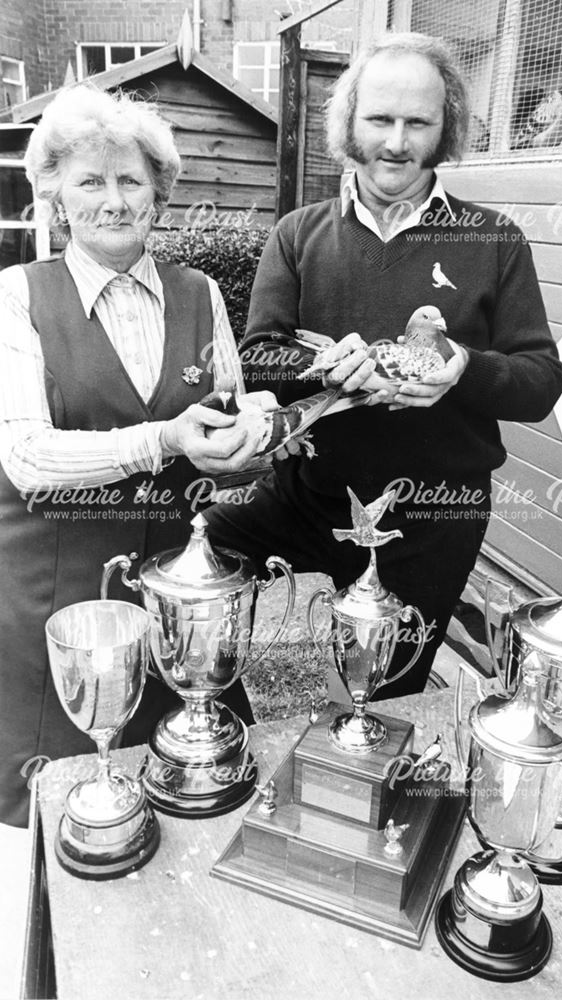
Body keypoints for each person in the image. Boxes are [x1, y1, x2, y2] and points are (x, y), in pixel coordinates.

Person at [204, 32, 562, 703]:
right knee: (197, 561)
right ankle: (216, 723)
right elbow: (256, 356)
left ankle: (368, 770)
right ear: (348, 124)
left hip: (431, 519)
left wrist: (461, 366)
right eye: (379, 119)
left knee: (382, 696)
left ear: (444, 129)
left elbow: (541, 382)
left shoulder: (494, 240)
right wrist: (322, 366)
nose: (396, 142)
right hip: (307, 500)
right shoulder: (299, 233)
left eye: (417, 123)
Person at [0, 85, 278, 827]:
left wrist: (246, 449)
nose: (114, 199)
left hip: (175, 608)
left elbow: (220, 433)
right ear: (57, 196)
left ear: (159, 193)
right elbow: (26, 456)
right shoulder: (17, 297)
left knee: (177, 781)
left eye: (131, 180)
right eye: (91, 180)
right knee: (58, 802)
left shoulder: (202, 294)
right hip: (55, 595)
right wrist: (163, 439)